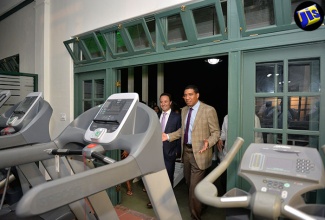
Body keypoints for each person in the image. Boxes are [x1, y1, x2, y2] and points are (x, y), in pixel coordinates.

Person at [162, 85, 220, 220]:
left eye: (190, 94)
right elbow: (182, 131)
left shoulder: (208, 110)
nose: (187, 98)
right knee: (189, 184)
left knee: (194, 188)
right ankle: (202, 204)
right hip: (186, 153)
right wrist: (168, 136)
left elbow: (216, 133)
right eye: (185, 95)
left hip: (200, 152)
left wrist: (208, 142)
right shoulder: (184, 111)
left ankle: (195, 216)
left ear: (197, 95)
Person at [147, 93, 181, 209]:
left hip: (169, 153)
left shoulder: (177, 117)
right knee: (155, 178)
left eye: (166, 101)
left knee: (167, 178)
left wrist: (177, 152)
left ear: (170, 102)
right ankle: (154, 200)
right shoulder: (157, 116)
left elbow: (180, 135)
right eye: (161, 102)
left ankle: (167, 202)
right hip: (156, 153)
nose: (163, 104)